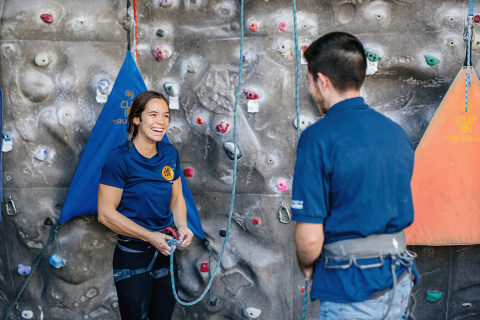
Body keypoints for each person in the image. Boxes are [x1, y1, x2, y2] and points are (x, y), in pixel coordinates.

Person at [291, 32, 420, 320]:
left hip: (351, 287)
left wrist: (307, 264)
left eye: (310, 81)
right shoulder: (396, 134)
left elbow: (310, 240)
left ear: (322, 81)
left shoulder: (318, 137)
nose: (311, 88)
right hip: (397, 281)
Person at [98, 91, 194, 320]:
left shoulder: (170, 153)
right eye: (153, 115)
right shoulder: (119, 159)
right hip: (133, 254)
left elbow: (177, 198)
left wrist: (182, 227)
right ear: (136, 119)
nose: (161, 121)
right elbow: (105, 214)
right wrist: (150, 236)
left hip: (165, 250)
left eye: (166, 116)